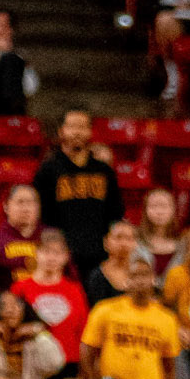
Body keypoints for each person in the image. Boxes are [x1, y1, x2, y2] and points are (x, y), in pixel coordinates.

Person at [80, 253, 179, 379]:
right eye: (134, 275)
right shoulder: (105, 310)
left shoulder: (167, 318)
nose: (140, 281)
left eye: (145, 275)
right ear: (126, 280)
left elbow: (170, 368)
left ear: (154, 279)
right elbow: (86, 354)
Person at [33, 110, 125, 281]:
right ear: (61, 131)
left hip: (99, 255)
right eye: (72, 126)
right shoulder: (48, 170)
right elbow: (42, 216)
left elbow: (115, 213)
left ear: (90, 132)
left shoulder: (104, 171)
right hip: (62, 255)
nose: (77, 132)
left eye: (82, 127)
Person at [14, 229, 88, 377]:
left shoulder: (75, 290)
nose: (51, 258)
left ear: (66, 257)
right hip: (33, 363)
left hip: (69, 362)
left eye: (57, 253)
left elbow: (83, 330)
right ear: (36, 253)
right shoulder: (20, 288)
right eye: (46, 251)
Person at [0, 183, 42, 291]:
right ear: (6, 206)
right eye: (20, 202)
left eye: (30, 203)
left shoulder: (50, 238)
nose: (26, 209)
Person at [84, 217, 143, 309]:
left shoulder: (142, 274)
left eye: (129, 238)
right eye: (118, 237)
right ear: (106, 242)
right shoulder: (96, 277)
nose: (124, 243)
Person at [138, 186, 182, 271]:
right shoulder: (136, 241)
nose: (159, 212)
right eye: (154, 206)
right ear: (145, 210)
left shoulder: (183, 243)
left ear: (173, 210)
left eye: (164, 206)